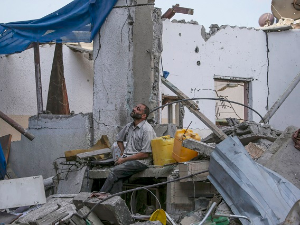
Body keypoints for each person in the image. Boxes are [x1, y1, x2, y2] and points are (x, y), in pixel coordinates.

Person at [92, 103, 157, 199]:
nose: (134, 109)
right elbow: (119, 139)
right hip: (129, 159)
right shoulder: (129, 126)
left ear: (143, 116)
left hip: (141, 161)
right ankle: (114, 200)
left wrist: (124, 159)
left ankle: (103, 193)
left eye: (138, 109)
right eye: (135, 107)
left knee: (115, 171)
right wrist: (123, 153)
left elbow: (145, 154)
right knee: (118, 178)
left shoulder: (147, 130)